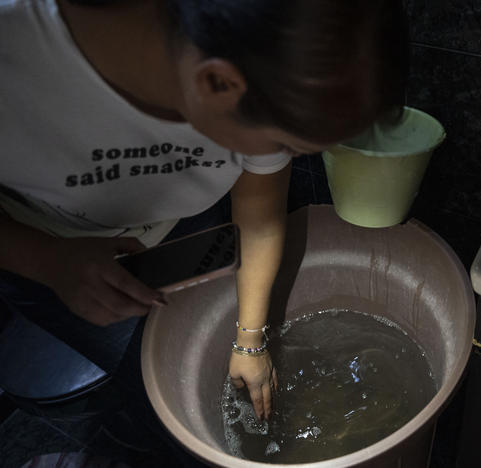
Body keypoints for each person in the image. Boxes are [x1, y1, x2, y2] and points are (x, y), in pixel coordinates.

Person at [0, 0, 408, 461]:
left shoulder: (254, 68)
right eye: (288, 145)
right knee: (150, 394)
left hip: (185, 230)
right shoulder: (16, 54)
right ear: (217, 83)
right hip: (50, 254)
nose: (286, 157)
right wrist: (44, 260)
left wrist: (251, 340)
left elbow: (258, 214)